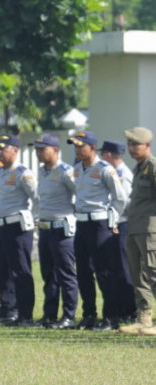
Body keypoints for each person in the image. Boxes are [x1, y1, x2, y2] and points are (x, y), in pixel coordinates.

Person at [119, 127, 156, 336]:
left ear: (148, 146)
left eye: (136, 145)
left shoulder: (155, 168)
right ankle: (143, 318)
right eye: (130, 145)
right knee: (138, 274)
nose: (131, 149)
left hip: (151, 227)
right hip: (135, 227)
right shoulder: (139, 168)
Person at [70, 131, 128, 331]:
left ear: (92, 148)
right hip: (81, 224)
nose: (77, 150)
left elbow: (120, 197)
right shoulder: (77, 169)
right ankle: (89, 314)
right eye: (75, 146)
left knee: (104, 272)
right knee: (83, 272)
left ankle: (111, 317)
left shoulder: (105, 169)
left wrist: (112, 217)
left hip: (99, 224)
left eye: (81, 146)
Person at [33, 133, 78, 329]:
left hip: (62, 229)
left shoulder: (65, 171)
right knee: (48, 275)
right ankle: (49, 315)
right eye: (37, 149)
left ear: (56, 151)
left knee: (66, 275)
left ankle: (68, 316)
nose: (38, 153)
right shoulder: (42, 171)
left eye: (43, 149)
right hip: (45, 229)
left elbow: (80, 194)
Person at [0, 134, 38, 326]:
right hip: (2, 226)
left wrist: (37, 219)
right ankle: (7, 311)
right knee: (3, 271)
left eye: (3, 149)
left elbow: (37, 197)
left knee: (20, 271)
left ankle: (25, 314)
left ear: (15, 151)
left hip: (18, 227)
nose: (0, 152)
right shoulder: (1, 171)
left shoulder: (23, 173)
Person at [99, 140, 136, 324]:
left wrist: (114, 218)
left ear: (108, 155)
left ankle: (130, 311)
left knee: (123, 269)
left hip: (122, 224)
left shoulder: (123, 174)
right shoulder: (116, 172)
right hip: (115, 223)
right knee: (114, 269)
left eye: (102, 154)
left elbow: (127, 202)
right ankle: (120, 309)